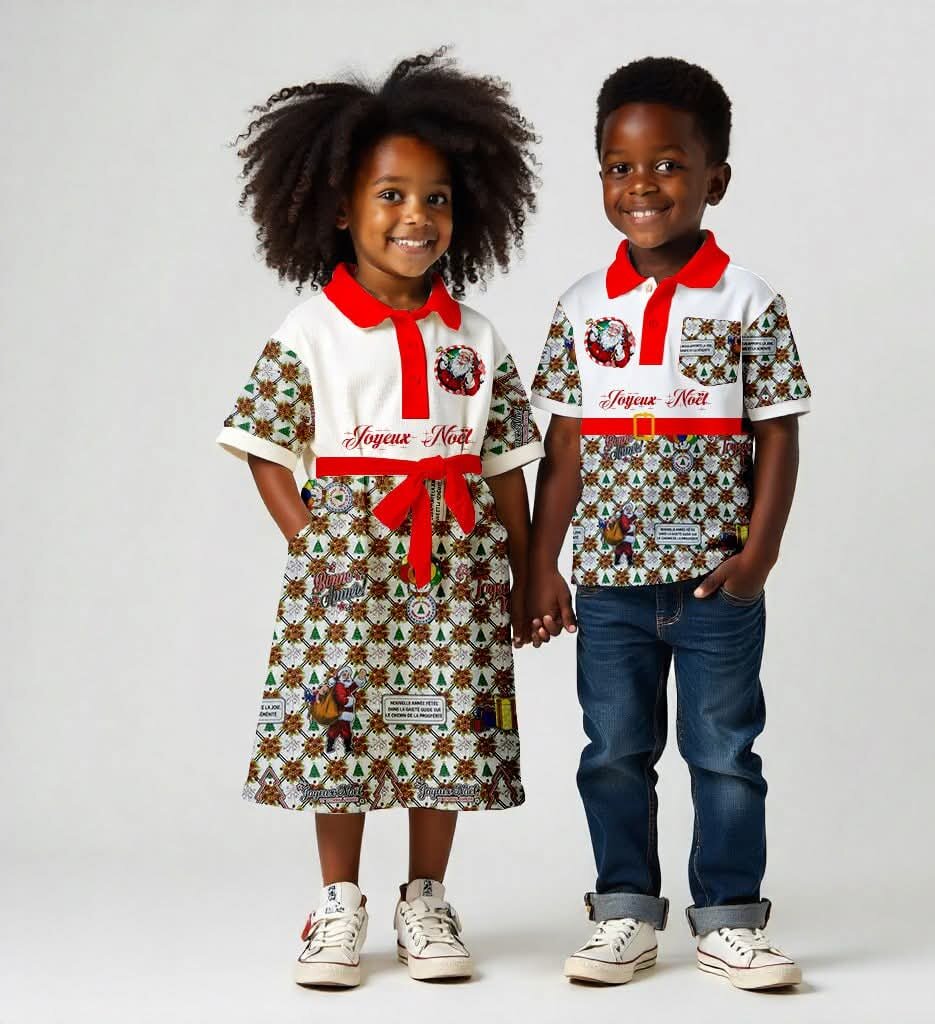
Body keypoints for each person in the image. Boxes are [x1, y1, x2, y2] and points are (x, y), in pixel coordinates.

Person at [217, 49, 542, 988]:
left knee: (443, 723)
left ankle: (427, 899)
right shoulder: (311, 329)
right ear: (338, 207)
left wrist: (526, 571)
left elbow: (504, 468)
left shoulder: (475, 337)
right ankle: (338, 902)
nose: (416, 216)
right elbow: (265, 445)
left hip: (457, 561)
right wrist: (314, 541)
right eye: (391, 195)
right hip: (346, 568)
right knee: (343, 727)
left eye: (437, 198)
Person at [528, 57, 811, 990]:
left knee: (724, 753)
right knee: (614, 751)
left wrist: (759, 554)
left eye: (667, 165)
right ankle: (623, 913)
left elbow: (778, 434)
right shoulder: (581, 307)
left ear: (714, 179)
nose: (641, 185)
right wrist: (543, 566)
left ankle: (730, 919)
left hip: (717, 584)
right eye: (620, 167)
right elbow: (564, 451)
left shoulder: (749, 301)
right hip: (609, 589)